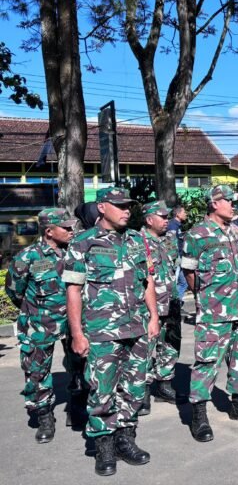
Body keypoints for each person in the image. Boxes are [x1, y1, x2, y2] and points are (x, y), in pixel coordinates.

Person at [63, 187, 160, 476]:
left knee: (134, 388)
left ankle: (125, 438)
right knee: (102, 391)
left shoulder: (136, 239)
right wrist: (77, 334)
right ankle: (103, 444)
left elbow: (147, 282)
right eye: (119, 205)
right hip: (102, 331)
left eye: (129, 205)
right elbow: (74, 290)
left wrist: (153, 317)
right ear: (102, 207)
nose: (127, 210)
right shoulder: (83, 242)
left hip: (138, 328)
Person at [182, 185, 238, 444]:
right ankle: (198, 414)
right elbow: (189, 272)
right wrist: (207, 299)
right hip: (213, 313)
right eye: (229, 201)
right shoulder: (197, 234)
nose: (234, 205)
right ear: (215, 203)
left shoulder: (233, 230)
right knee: (206, 363)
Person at [8, 208, 82, 443]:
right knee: (37, 372)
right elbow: (14, 291)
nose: (72, 231)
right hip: (40, 323)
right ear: (49, 231)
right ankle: (44, 417)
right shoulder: (27, 257)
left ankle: (76, 409)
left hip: (73, 323)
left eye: (73, 227)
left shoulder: (76, 253)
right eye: (66, 228)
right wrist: (38, 310)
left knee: (79, 366)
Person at [138, 201, 180, 416]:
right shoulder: (137, 241)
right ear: (149, 220)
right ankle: (143, 392)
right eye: (162, 217)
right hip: (149, 306)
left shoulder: (170, 240)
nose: (166, 221)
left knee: (170, 345)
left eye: (167, 217)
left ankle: (165, 385)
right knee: (145, 349)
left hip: (171, 301)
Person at [166, 205, 188, 301]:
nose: (186, 214)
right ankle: (174, 305)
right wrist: (175, 260)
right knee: (174, 283)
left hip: (180, 258)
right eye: (184, 212)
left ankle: (177, 304)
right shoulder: (172, 225)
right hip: (175, 259)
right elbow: (169, 243)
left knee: (184, 282)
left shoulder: (177, 225)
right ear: (178, 214)